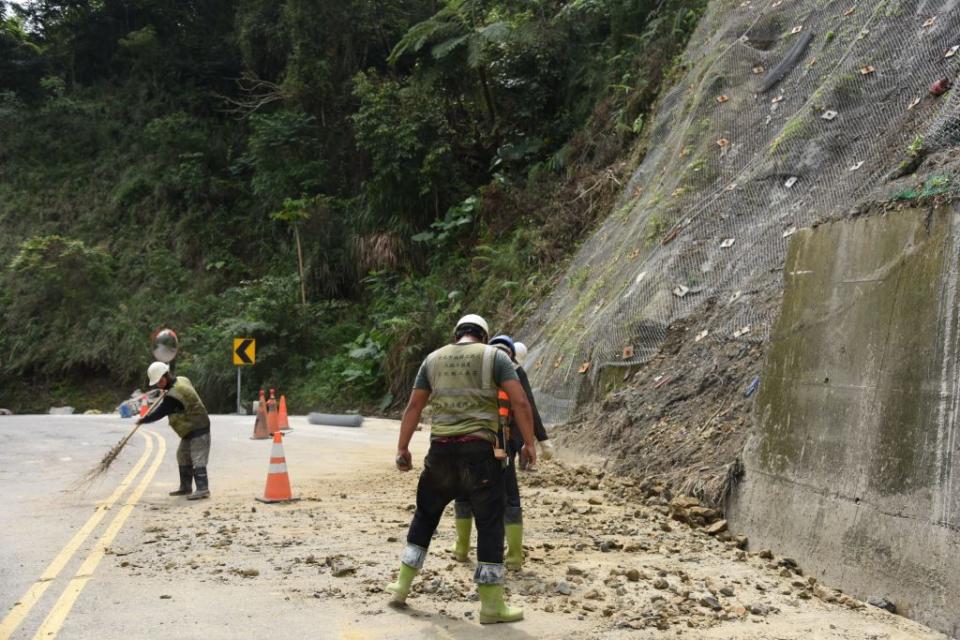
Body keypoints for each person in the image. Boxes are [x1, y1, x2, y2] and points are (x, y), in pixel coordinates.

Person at [386, 314, 537, 624]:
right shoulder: (494, 357)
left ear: (457, 334)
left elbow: (414, 406)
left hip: (440, 452)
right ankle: (491, 605)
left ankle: (401, 586)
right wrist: (529, 444)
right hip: (480, 454)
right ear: (483, 335)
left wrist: (402, 447)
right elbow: (520, 402)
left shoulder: (432, 359)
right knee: (490, 523)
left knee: (425, 516)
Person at [452, 336, 552, 571]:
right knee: (509, 495)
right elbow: (527, 407)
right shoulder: (514, 370)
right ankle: (515, 557)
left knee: (464, 491)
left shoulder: (473, 368)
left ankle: (462, 548)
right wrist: (537, 442)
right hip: (503, 443)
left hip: (469, 440)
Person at [137, 361, 212, 500]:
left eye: (159, 381)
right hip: (189, 428)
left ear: (166, 376)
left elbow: (161, 412)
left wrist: (144, 420)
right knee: (182, 455)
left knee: (198, 459)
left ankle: (203, 489)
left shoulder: (174, 394)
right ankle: (185, 487)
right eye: (157, 382)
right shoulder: (181, 380)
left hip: (198, 427)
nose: (158, 384)